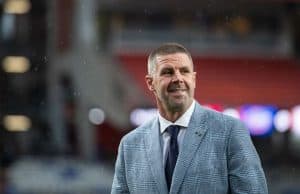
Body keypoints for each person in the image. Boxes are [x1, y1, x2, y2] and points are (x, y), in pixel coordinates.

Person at [111, 43, 268, 194]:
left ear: (193, 79)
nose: (178, 78)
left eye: (184, 71)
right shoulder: (130, 145)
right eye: (168, 72)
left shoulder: (230, 132)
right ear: (150, 82)